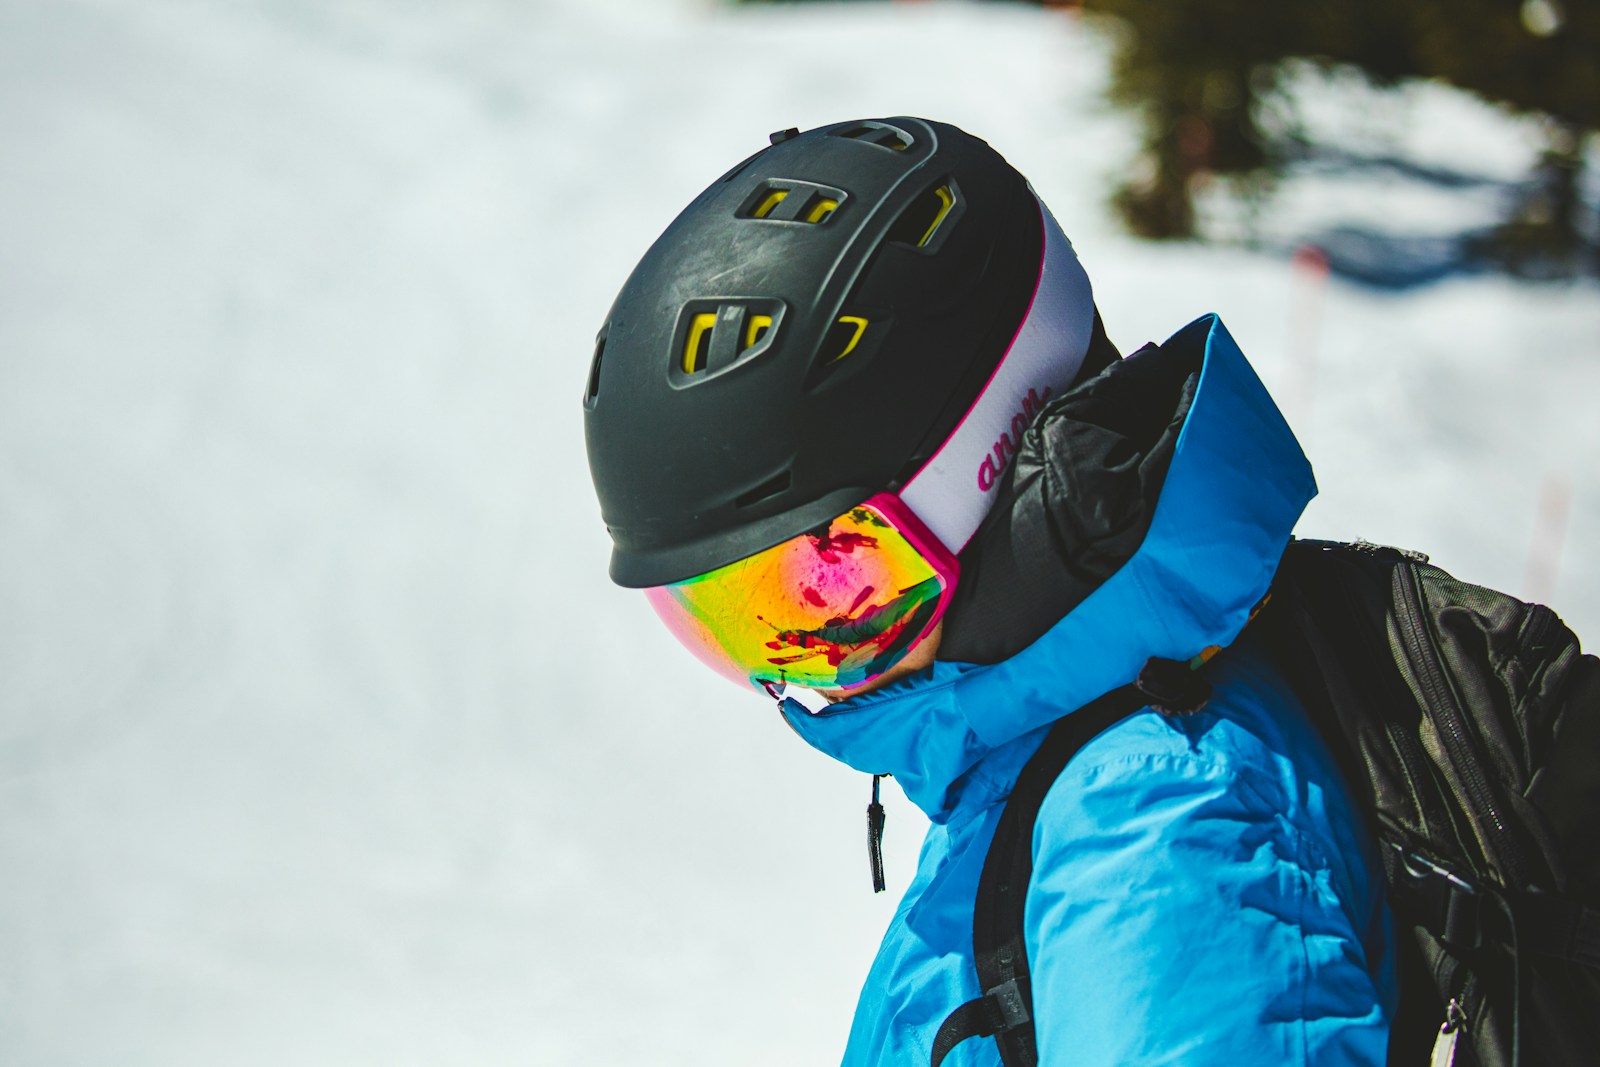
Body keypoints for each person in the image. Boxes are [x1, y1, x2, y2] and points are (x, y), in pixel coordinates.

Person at [583, 117, 1396, 1065]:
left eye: (826, 580)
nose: (801, 667)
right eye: (732, 619)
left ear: (993, 461)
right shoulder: (1047, 764)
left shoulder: (1148, 824)